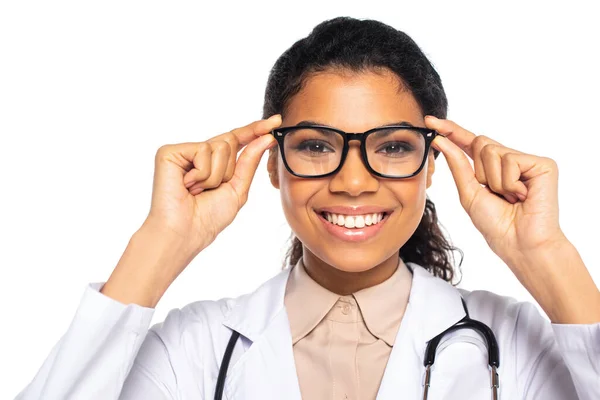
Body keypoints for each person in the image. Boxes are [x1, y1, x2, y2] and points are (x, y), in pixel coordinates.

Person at [16, 16, 600, 400]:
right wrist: (160, 242)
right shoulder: (193, 349)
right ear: (273, 164)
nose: (352, 182)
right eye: (316, 146)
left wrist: (546, 256)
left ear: (431, 164)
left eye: (392, 147)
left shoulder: (515, 344)